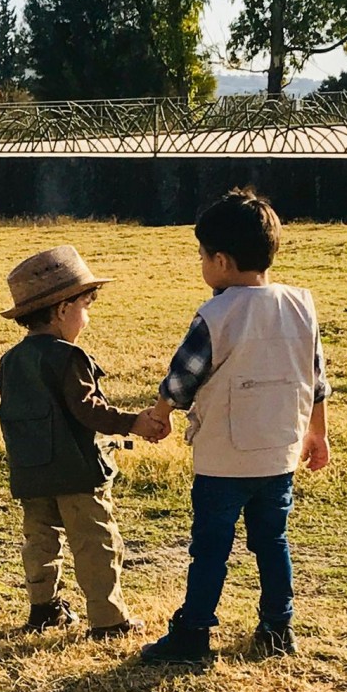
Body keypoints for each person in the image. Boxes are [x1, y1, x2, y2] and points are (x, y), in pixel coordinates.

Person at [141, 188, 331, 664]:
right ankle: (277, 627)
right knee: (272, 541)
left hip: (224, 460)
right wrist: (318, 434)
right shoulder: (301, 305)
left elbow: (182, 377)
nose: (202, 265)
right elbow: (316, 381)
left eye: (202, 256)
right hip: (279, 454)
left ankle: (193, 632)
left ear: (220, 261)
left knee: (210, 550)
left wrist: (161, 416)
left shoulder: (216, 314)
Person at [0, 244, 163, 636]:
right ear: (62, 310)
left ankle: (44, 609)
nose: (87, 318)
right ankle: (109, 621)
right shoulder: (69, 358)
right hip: (76, 473)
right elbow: (90, 410)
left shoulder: (10, 361)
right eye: (86, 306)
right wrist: (133, 423)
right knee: (95, 544)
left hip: (30, 474)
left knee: (40, 542)